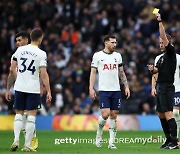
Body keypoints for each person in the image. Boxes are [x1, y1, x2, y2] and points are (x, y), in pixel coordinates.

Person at [5, 29, 52, 152]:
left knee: (19, 114)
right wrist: (48, 90)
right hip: (33, 88)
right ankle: (27, 145)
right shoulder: (41, 53)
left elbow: (11, 70)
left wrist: (9, 87)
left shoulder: (19, 50)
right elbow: (43, 73)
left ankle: (16, 140)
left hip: (19, 87)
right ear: (41, 38)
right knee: (31, 116)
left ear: (29, 38)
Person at [89, 35, 130, 149]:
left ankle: (111, 142)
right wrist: (91, 88)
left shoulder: (118, 56)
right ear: (106, 43)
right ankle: (98, 135)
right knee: (105, 114)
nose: (114, 45)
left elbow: (121, 72)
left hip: (116, 89)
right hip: (104, 90)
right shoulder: (97, 56)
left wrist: (126, 86)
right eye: (112, 42)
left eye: (115, 42)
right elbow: (93, 72)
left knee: (114, 115)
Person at [148, 13, 179, 149]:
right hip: (160, 86)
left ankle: (174, 141)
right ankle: (168, 139)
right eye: (160, 43)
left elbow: (163, 35)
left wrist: (160, 21)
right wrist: (152, 70)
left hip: (167, 87)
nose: (161, 45)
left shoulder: (171, 53)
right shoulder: (160, 58)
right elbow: (157, 71)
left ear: (168, 43)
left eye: (163, 42)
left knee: (169, 113)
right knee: (161, 114)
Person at [6, 31, 39, 151]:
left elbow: (12, 72)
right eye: (16, 41)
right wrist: (8, 88)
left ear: (27, 40)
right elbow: (11, 72)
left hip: (23, 87)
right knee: (27, 114)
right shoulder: (37, 53)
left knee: (22, 114)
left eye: (20, 40)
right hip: (29, 88)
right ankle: (29, 141)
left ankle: (21, 140)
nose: (17, 43)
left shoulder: (21, 53)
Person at [173, 54, 180, 143]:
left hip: (177, 89)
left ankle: (175, 138)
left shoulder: (178, 57)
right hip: (166, 89)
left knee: (175, 113)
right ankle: (170, 138)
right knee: (167, 114)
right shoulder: (159, 58)